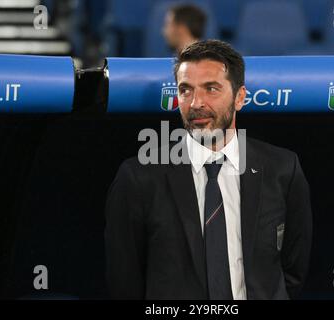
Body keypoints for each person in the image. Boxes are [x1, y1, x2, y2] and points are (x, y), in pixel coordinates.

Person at [105, 40, 312, 300]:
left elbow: (293, 270)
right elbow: (124, 282)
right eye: (185, 90)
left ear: (240, 97)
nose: (195, 103)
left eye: (211, 89)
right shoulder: (139, 176)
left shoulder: (283, 169)